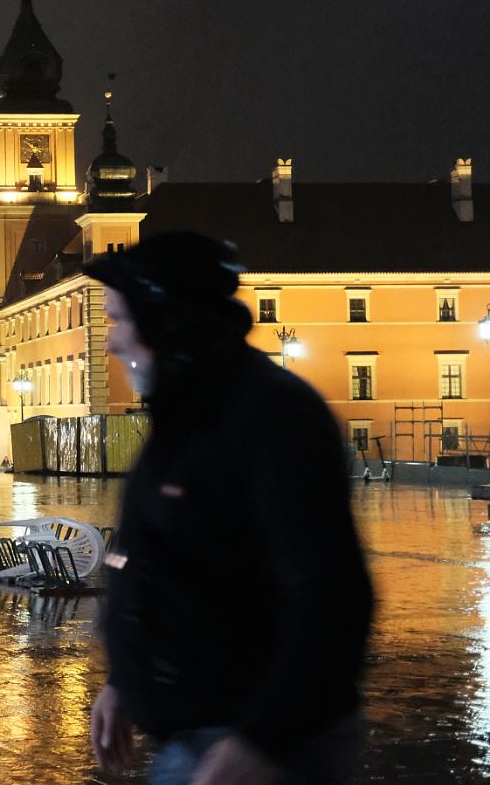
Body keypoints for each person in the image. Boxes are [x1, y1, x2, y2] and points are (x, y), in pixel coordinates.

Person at [84, 232, 373, 785]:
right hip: (201, 735)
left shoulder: (273, 416)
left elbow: (331, 600)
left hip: (255, 746)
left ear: (165, 321)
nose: (111, 343)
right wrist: (124, 680)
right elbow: (153, 557)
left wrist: (261, 742)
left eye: (119, 320)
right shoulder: (184, 415)